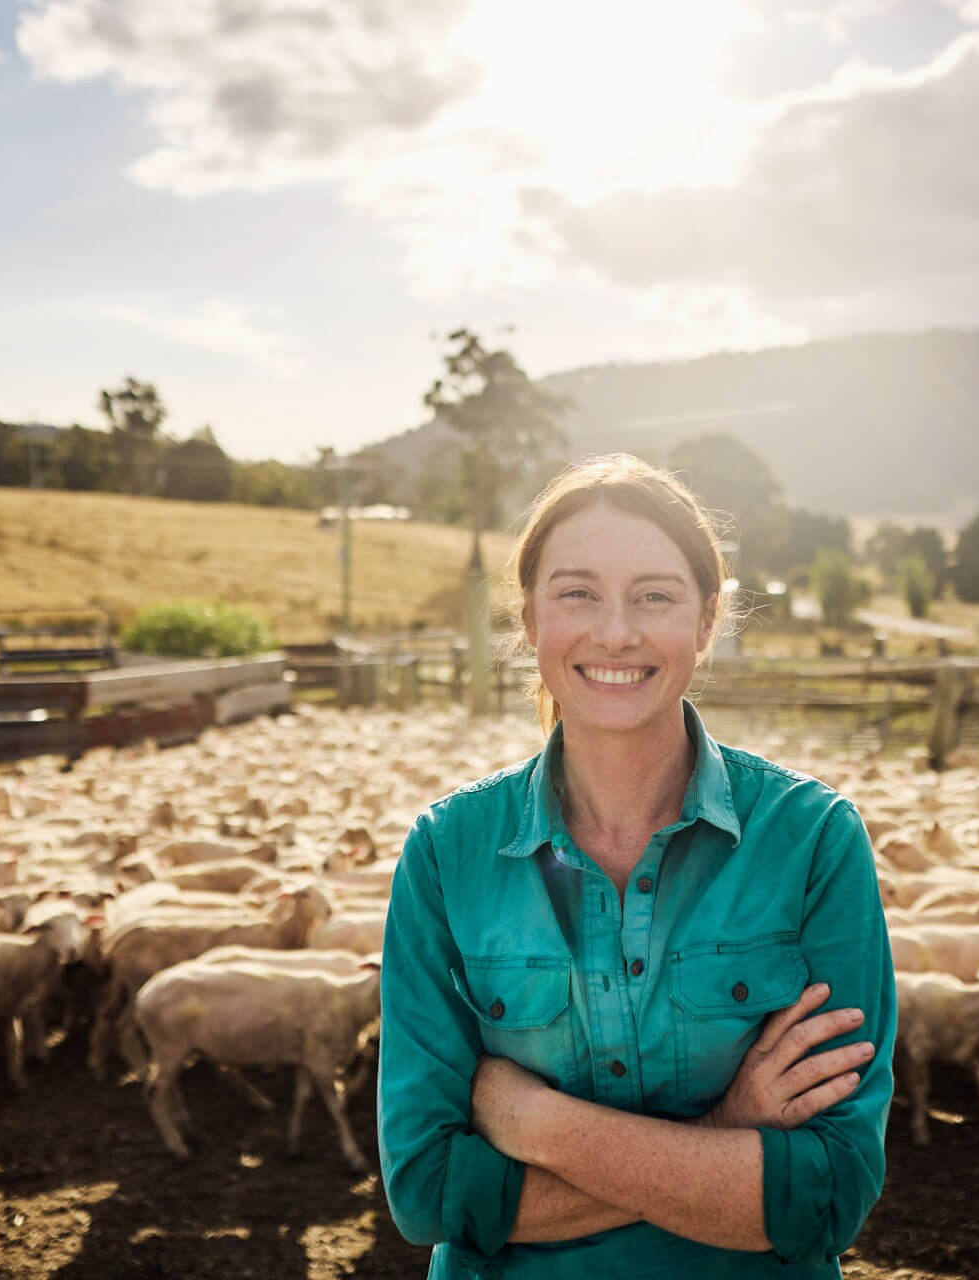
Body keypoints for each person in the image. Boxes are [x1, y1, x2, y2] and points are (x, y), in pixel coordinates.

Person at [378, 453, 897, 1277]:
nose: (615, 632)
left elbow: (829, 1194)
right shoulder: (447, 853)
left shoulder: (812, 840)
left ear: (706, 618)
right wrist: (727, 1135)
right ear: (529, 618)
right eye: (576, 592)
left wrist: (535, 1122)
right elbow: (431, 1193)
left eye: (654, 596)